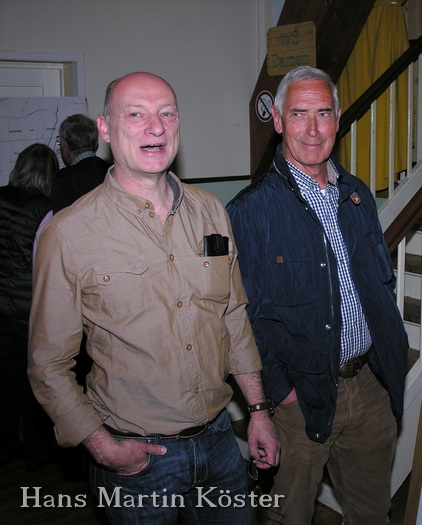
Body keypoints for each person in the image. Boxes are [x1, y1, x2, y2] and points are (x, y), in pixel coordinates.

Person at [29, 72, 279, 524]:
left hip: (222, 442)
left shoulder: (211, 212)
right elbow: (48, 364)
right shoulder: (68, 234)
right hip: (137, 460)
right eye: (136, 114)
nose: (156, 127)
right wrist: (104, 447)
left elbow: (234, 317)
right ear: (105, 129)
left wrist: (258, 410)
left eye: (167, 113)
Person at [226, 66, 408, 524]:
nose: (312, 128)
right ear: (279, 121)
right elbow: (238, 320)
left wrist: (389, 366)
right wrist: (277, 397)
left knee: (372, 515)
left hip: (369, 389)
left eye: (322, 113)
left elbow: (378, 286)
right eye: (299, 113)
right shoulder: (250, 212)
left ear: (338, 119)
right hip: (297, 402)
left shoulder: (357, 195)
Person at [0, 144, 58, 470]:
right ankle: (39, 452)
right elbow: (45, 263)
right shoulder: (45, 210)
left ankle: (5, 443)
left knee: (5, 381)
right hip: (29, 309)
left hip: (1, 307)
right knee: (36, 382)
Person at [52, 113, 110, 213]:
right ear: (97, 143)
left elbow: (60, 225)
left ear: (64, 144)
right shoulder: (112, 171)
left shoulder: (63, 179)